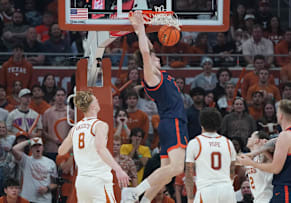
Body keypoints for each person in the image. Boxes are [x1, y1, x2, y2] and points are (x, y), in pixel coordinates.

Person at [121, 11, 189, 203]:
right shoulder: (151, 77)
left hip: (171, 124)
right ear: (147, 63)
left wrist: (137, 29)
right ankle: (135, 192)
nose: (156, 57)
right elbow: (145, 53)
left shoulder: (159, 73)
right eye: (153, 58)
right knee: (177, 169)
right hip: (173, 122)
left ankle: (143, 201)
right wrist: (142, 30)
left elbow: (148, 49)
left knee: (166, 174)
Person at [58, 90, 129, 202]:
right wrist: (118, 170)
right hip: (98, 181)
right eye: (96, 100)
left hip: (82, 182)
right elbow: (100, 149)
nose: (98, 101)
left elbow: (61, 151)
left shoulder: (75, 128)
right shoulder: (99, 125)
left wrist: (77, 149)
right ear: (92, 106)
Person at [238, 99, 291, 202]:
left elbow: (275, 168)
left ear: (281, 115)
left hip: (286, 189)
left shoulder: (285, 135)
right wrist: (257, 152)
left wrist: (251, 162)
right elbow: (280, 160)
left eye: (277, 112)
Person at [185, 107, 237, 203]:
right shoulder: (228, 142)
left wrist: (190, 197)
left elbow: (189, 174)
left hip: (206, 191)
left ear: (201, 123)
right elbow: (232, 171)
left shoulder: (195, 143)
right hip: (227, 190)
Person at [12, 137, 57, 203]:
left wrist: (47, 188)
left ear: (43, 147)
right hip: (27, 199)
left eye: (39, 146)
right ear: (31, 149)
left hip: (44, 200)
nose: (37, 148)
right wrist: (30, 141)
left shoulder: (50, 162)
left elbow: (55, 183)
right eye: (34, 146)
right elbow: (14, 149)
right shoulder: (26, 160)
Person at [245, 131, 273, 203]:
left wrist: (263, 146)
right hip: (257, 199)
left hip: (267, 198)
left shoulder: (264, 155)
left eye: (251, 137)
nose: (248, 138)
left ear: (257, 140)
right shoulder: (249, 159)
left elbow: (274, 143)